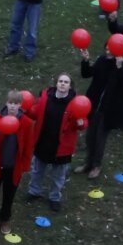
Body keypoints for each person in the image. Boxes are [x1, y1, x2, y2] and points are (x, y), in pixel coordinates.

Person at [25, 74, 86, 212]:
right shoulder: (45, 98)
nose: (63, 84)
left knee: (58, 176)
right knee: (37, 170)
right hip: (43, 142)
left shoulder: (75, 103)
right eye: (60, 81)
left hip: (62, 147)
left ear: (70, 86)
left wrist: (81, 123)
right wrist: (27, 110)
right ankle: (34, 191)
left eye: (66, 82)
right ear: (56, 83)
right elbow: (35, 113)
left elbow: (82, 122)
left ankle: (54, 198)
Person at [0, 90, 35, 234]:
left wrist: (24, 166)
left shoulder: (26, 123)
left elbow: (28, 146)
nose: (13, 106)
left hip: (13, 167)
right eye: (10, 103)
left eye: (16, 103)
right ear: (6, 103)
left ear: (20, 105)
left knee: (9, 195)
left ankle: (4, 219)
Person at [75, 44, 123, 179]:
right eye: (107, 48)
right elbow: (86, 74)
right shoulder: (102, 60)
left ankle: (96, 165)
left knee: (100, 138)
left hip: (108, 109)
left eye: (111, 48)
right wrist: (85, 61)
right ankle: (88, 162)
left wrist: (119, 67)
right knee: (90, 136)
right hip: (93, 105)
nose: (107, 50)